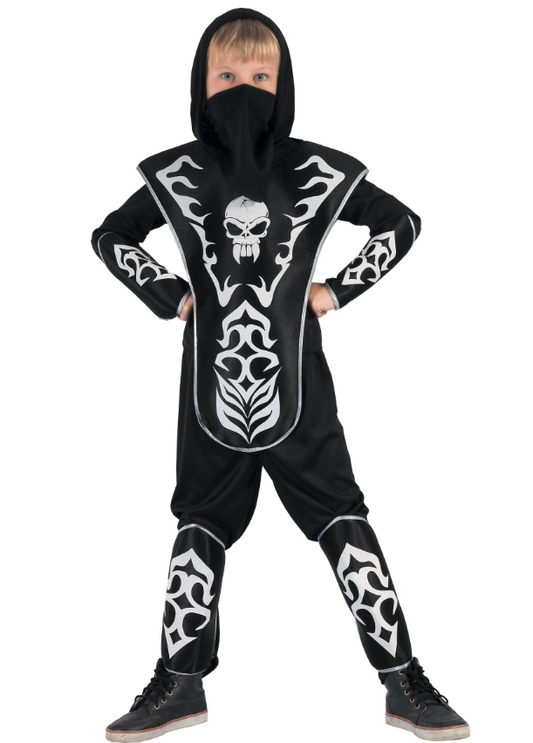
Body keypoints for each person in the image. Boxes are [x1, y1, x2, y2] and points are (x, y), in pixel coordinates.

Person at [92, 8, 469, 743]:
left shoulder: (314, 172)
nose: (244, 89)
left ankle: (404, 680)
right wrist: (173, 296)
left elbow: (400, 223)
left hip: (300, 376)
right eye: (227, 75)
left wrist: (336, 290)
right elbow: (111, 236)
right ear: (201, 84)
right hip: (207, 380)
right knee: (199, 520)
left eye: (260, 76)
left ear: (283, 84)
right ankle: (179, 682)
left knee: (342, 515)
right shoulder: (179, 174)